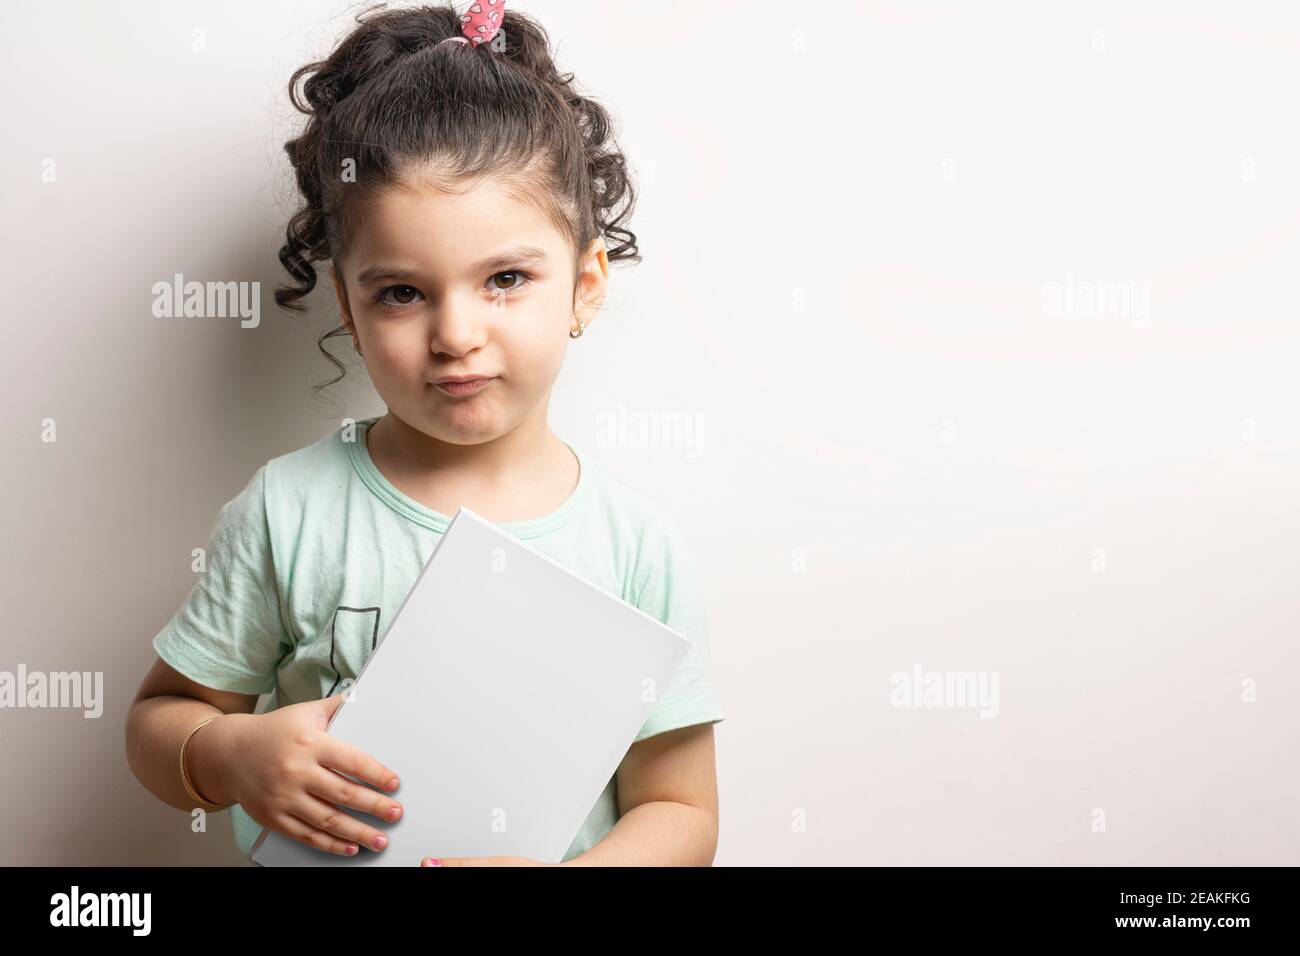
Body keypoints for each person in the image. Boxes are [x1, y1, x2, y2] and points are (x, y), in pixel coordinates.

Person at [124, 0, 726, 866]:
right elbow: (157, 724)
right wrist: (231, 755)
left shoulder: (635, 547)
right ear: (349, 305)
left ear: (586, 285)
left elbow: (681, 809)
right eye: (401, 292)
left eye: (506, 278)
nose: (455, 334)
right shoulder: (288, 511)